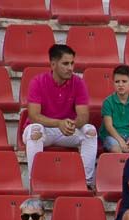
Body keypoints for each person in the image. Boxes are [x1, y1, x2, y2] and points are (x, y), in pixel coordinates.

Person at [22, 44, 97, 187]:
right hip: (46, 129)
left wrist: (74, 124)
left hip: (67, 129)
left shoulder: (78, 82)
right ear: (53, 64)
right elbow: (33, 116)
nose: (70, 68)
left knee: (90, 131)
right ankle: (35, 183)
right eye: (65, 63)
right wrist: (58, 123)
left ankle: (85, 183)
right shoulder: (37, 82)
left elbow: (83, 115)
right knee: (35, 131)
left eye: (72, 63)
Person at [100, 64, 129, 154]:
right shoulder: (108, 102)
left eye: (124, 81)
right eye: (117, 82)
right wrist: (121, 141)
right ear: (113, 83)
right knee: (117, 150)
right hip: (111, 136)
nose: (120, 85)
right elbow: (109, 126)